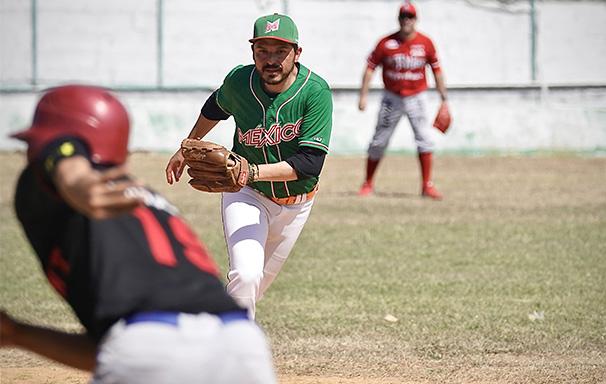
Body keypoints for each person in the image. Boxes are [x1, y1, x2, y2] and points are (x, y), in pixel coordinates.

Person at [1, 84, 277, 384]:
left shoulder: (54, 187)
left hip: (147, 349)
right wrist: (18, 334)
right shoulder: (144, 198)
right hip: (242, 344)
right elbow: (111, 350)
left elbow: (66, 155)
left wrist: (74, 178)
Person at [165, 13, 333, 320]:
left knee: (254, 289)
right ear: (252, 52)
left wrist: (250, 169)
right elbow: (215, 107)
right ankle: (231, 357)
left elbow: (310, 163)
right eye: (262, 51)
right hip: (247, 194)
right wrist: (186, 145)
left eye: (280, 51)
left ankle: (210, 325)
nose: (271, 60)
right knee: (246, 276)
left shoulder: (315, 92)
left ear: (296, 53)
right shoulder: (240, 82)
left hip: (297, 204)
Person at [358, 2, 449, 199]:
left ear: (416, 19)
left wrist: (444, 98)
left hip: (417, 96)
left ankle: (427, 185)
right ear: (398, 19)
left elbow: (437, 70)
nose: (406, 20)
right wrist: (363, 95)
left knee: (424, 139)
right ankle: (368, 183)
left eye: (410, 17)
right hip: (392, 97)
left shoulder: (425, 42)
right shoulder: (386, 43)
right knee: (379, 140)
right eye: (403, 17)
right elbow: (370, 68)